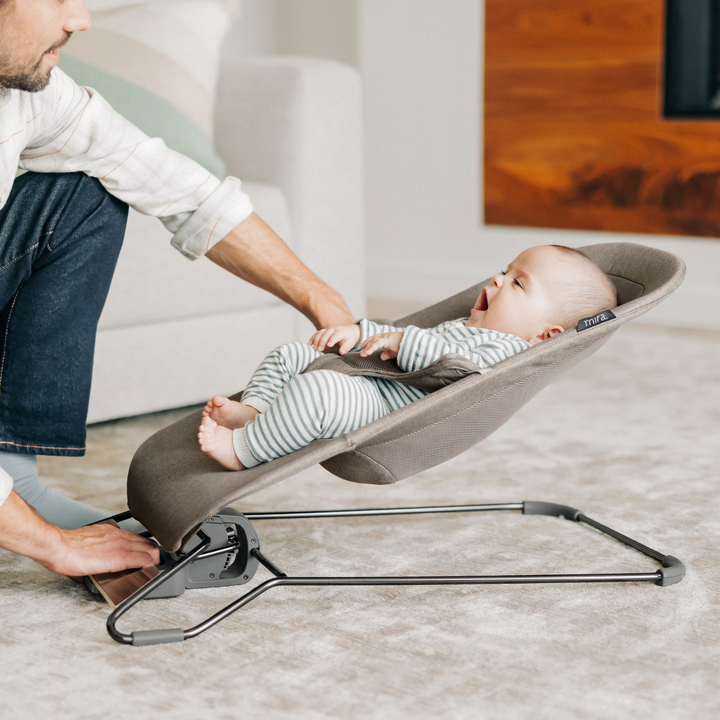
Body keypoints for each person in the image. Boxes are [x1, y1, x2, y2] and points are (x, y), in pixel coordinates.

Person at [0, 0, 353, 575]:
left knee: (83, 191)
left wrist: (319, 297)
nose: (81, 19)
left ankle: (15, 475)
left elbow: (165, 180)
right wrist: (53, 546)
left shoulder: (26, 94)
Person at [198, 245, 618, 471]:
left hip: (381, 410)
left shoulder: (507, 351)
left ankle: (245, 450)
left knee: (316, 390)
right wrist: (360, 332)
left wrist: (402, 342)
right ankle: (256, 410)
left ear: (545, 335)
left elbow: (459, 371)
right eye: (505, 269)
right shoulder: (470, 325)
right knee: (292, 354)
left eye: (517, 283)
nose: (497, 279)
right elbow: (411, 335)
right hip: (366, 379)